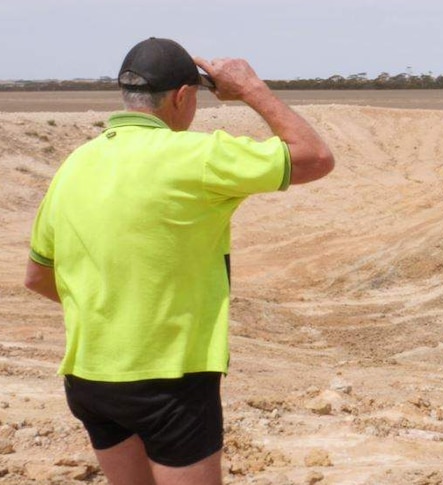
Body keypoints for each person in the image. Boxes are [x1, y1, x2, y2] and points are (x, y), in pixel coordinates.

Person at [23, 37, 334, 485]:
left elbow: (37, 276)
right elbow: (316, 157)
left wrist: (114, 312)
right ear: (182, 97)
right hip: (169, 381)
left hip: (89, 378)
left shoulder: (75, 164)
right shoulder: (196, 156)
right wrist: (250, 89)